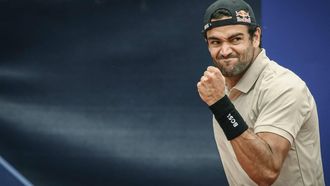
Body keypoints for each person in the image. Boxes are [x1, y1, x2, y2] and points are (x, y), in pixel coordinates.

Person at [196, 0, 325, 185]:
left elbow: (266, 172)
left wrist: (221, 106)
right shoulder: (220, 88)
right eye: (216, 42)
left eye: (235, 39)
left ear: (255, 37)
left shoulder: (284, 87)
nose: (224, 51)